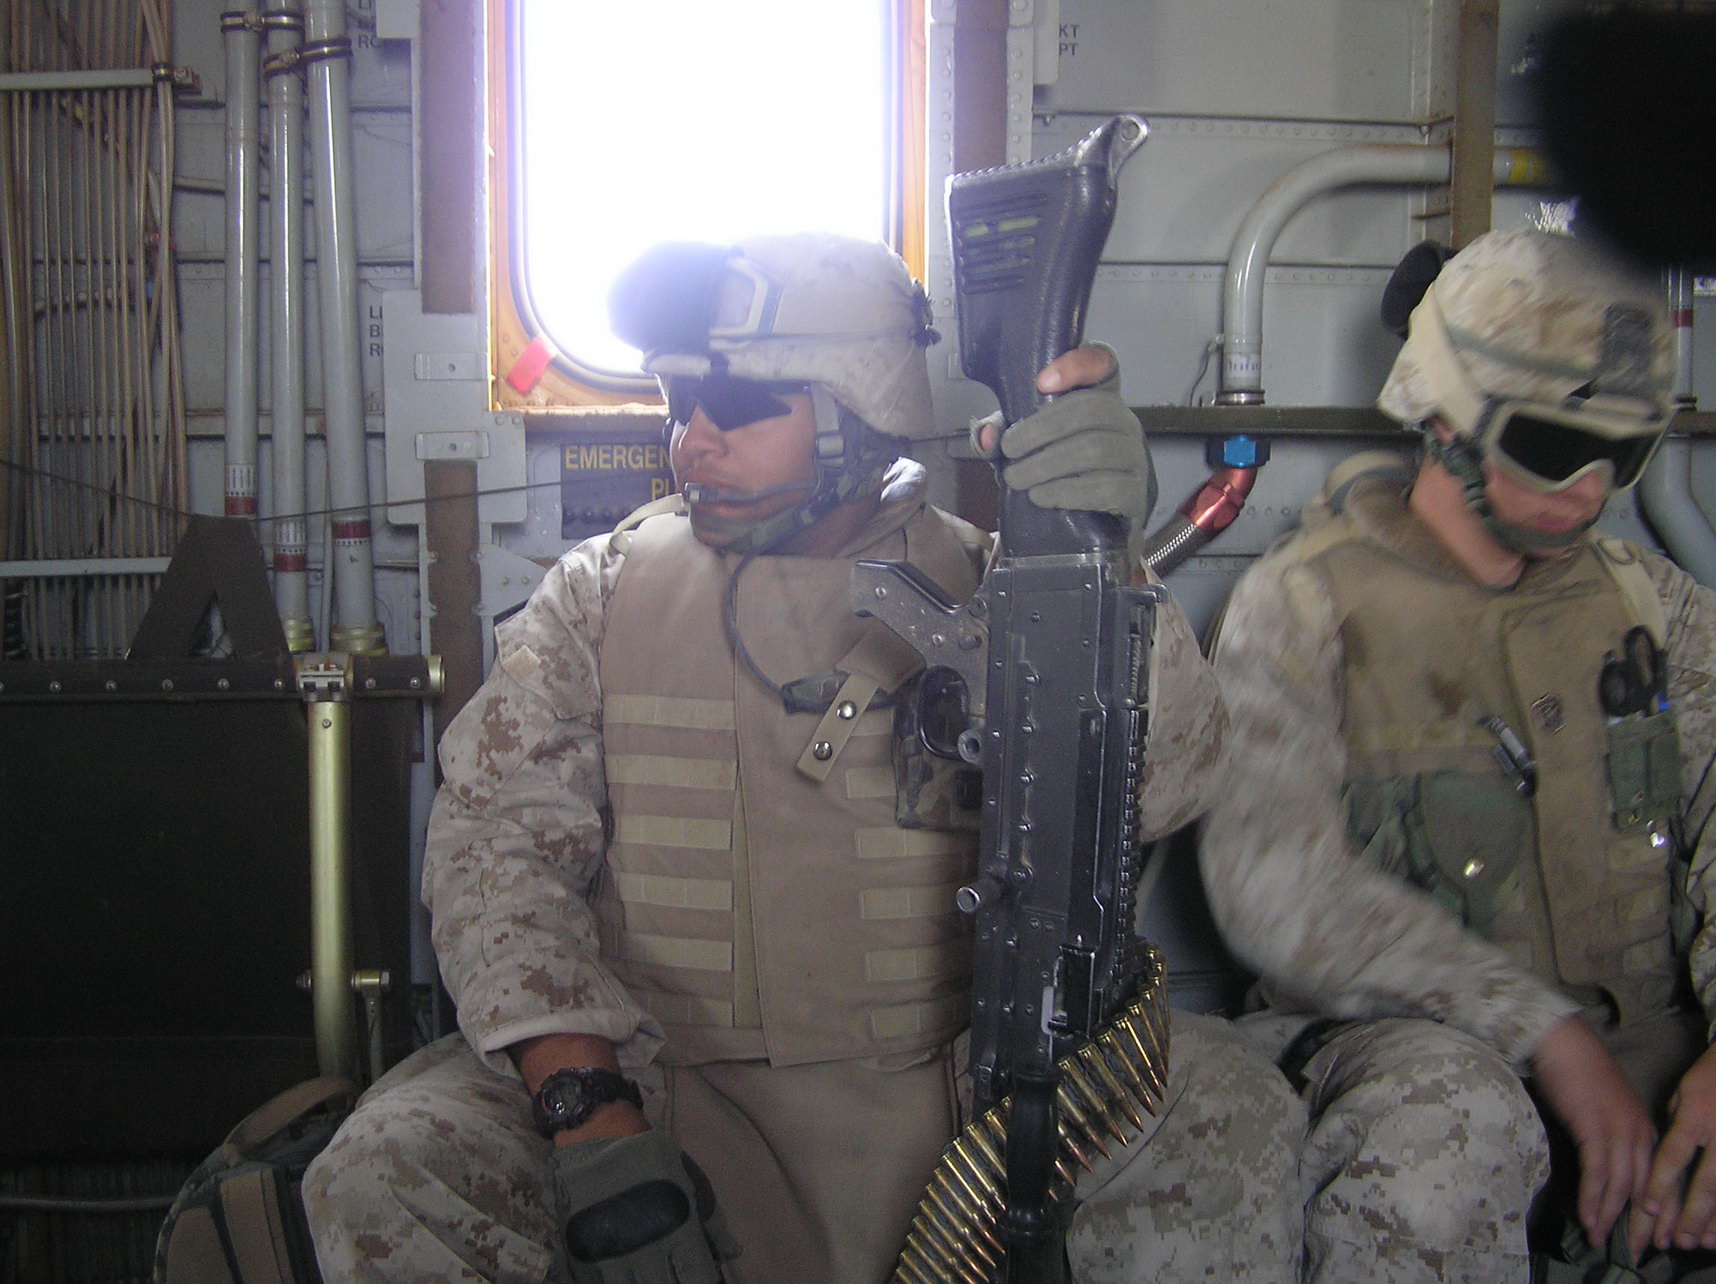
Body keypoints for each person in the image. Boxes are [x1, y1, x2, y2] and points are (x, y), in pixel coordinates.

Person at [302, 232, 1304, 1282]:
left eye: (736, 407)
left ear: (857, 413)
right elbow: (496, 856)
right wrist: (591, 1116)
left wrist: (1106, 561)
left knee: (1235, 1116)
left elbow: (1166, 785)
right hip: (655, 1089)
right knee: (387, 1170)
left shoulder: (1010, 586)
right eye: (679, 402)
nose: (691, 443)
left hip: (965, 1100)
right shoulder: (603, 594)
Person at [1200, 224, 1716, 1283]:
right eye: (1551, 445)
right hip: (1407, 1060)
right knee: (1448, 1133)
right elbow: (1275, 888)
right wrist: (1543, 1032)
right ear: (1443, 416)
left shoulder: (1651, 605)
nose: (1589, 487)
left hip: (1647, 1053)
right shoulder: (1304, 604)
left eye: (1622, 455)